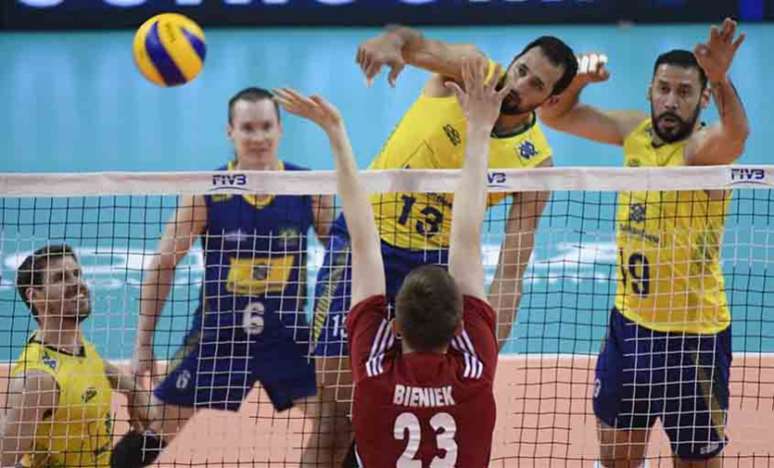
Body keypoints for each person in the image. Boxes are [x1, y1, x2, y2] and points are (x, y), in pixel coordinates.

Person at [276, 54, 509, 467]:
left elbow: (364, 243)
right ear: (459, 326)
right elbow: (467, 236)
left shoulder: (373, 376)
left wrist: (336, 132)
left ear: (394, 326)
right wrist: (481, 129)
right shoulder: (474, 372)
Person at [538, 18, 749, 467]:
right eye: (663, 89)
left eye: (686, 92)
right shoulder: (635, 133)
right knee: (616, 460)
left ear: (703, 98)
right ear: (650, 91)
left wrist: (722, 77)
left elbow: (736, 137)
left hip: (694, 341)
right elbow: (554, 113)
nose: (671, 101)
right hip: (629, 328)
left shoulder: (701, 153)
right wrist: (578, 81)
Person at [313, 27, 578, 358]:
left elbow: (510, 274)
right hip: (365, 235)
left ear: (550, 100)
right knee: (331, 386)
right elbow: (418, 44)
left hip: (434, 267)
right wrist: (392, 42)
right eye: (521, 70)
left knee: (421, 385)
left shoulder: (535, 163)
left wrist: (487, 350)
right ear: (512, 61)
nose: (519, 85)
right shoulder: (471, 71)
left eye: (536, 85)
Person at [126, 87, 337, 466]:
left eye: (266, 126)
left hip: (288, 338)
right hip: (218, 337)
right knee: (151, 430)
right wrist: (143, 343)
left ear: (281, 129)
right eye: (248, 128)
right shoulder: (208, 193)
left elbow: (344, 256)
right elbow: (163, 263)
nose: (258, 137)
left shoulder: (308, 188)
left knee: (339, 427)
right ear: (230, 132)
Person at [0, 244, 151, 467]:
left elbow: (96, 367)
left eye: (76, 274)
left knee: (160, 424)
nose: (76, 284)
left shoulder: (76, 347)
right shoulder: (38, 381)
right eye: (61, 278)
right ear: (35, 296)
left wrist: (134, 390)